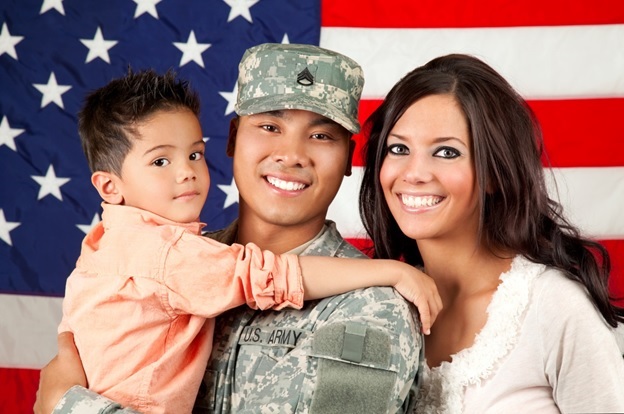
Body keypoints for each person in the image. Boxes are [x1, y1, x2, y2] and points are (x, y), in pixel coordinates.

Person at [35, 43, 435, 414]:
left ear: (348, 158)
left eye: (320, 135)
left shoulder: (371, 308)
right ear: (232, 138)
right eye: (269, 127)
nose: (292, 155)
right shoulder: (166, 265)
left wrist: (67, 405)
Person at [359, 53, 624, 413]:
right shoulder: (373, 307)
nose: (414, 172)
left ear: (494, 175)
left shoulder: (554, 307)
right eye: (399, 148)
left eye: (447, 152)